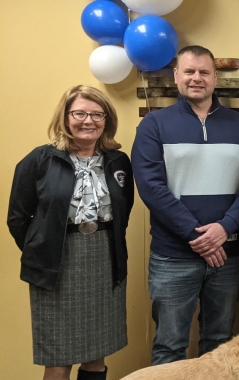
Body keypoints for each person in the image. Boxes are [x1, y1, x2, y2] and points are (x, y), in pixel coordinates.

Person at [131, 45, 239, 365]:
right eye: (189, 71)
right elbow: (151, 188)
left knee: (219, 345)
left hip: (228, 257)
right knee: (170, 346)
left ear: (216, 78)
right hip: (172, 257)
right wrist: (197, 235)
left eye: (204, 72)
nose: (196, 78)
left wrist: (225, 227)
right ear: (176, 76)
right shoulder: (154, 125)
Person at [8, 85, 134, 380]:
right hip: (56, 265)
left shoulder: (118, 161)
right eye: (79, 113)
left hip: (105, 260)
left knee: (96, 354)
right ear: (65, 117)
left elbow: (123, 212)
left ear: (106, 120)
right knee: (59, 358)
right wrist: (40, 250)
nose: (88, 121)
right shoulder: (41, 160)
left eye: (96, 114)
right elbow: (17, 217)